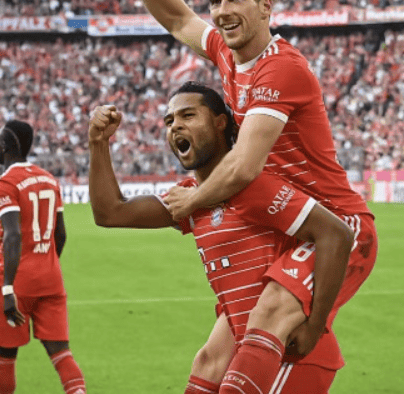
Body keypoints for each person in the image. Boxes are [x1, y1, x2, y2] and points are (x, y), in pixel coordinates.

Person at [89, 0, 377, 392]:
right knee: (212, 356)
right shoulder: (227, 55)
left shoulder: (280, 68)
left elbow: (243, 166)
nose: (222, 10)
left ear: (266, 7)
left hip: (336, 223)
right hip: (287, 224)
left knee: (270, 312)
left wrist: (193, 201)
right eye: (216, 1)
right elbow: (177, 18)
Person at [89, 82, 357, 394]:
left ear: (220, 123)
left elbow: (336, 234)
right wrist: (98, 143)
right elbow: (110, 212)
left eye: (188, 115)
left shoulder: (251, 185)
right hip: (246, 355)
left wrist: (315, 327)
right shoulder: (190, 200)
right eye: (169, 121)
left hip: (288, 355)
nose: (175, 126)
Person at [0, 120, 86, 394]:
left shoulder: (4, 183)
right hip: (50, 279)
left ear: (5, 146)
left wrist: (8, 288)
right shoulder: (49, 179)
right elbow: (60, 235)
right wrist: (47, 264)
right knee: (62, 354)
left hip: (16, 282)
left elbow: (13, 235)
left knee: (4, 356)